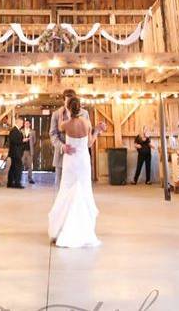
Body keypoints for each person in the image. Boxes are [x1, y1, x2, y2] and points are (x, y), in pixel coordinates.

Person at [48, 97, 102, 248]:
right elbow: (90, 142)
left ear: (69, 109)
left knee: (66, 190)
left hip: (70, 161)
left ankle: (62, 226)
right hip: (83, 161)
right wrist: (96, 131)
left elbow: (59, 128)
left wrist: (61, 114)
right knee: (84, 191)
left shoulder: (65, 124)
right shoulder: (86, 123)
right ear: (80, 108)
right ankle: (84, 227)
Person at [50, 89, 90, 187]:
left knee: (79, 185)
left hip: (79, 155)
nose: (69, 104)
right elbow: (53, 134)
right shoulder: (56, 114)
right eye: (67, 101)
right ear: (63, 101)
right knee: (61, 185)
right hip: (61, 156)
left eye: (71, 101)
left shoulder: (84, 114)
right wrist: (61, 146)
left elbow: (88, 134)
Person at [7, 116, 25, 189]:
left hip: (16, 152)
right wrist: (22, 141)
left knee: (13, 167)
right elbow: (13, 141)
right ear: (18, 122)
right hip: (15, 152)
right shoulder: (14, 130)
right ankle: (17, 183)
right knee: (18, 167)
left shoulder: (18, 130)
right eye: (21, 122)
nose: (22, 124)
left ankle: (10, 183)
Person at [21, 119, 36, 184]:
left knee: (30, 165)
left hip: (29, 151)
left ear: (30, 124)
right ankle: (18, 178)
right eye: (25, 123)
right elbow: (19, 140)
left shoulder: (33, 132)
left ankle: (30, 178)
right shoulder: (21, 131)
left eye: (28, 123)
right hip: (22, 151)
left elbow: (34, 141)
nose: (26, 124)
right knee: (21, 165)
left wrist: (31, 145)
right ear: (24, 124)